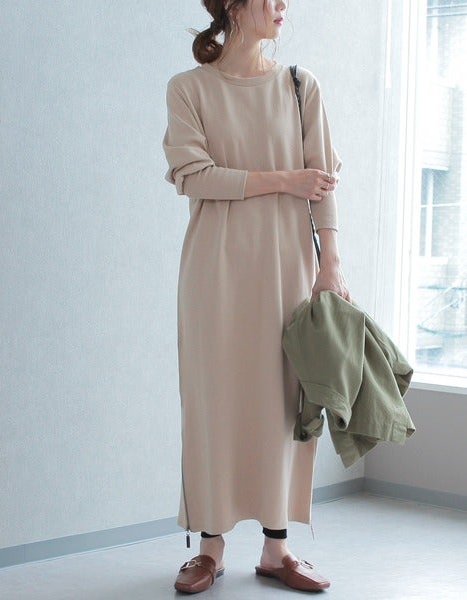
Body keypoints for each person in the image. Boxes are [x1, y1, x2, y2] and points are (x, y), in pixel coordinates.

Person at [162, 0, 350, 594]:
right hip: (214, 269)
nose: (282, 6)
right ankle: (209, 548)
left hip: (287, 266)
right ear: (234, 6)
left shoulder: (299, 85)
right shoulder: (189, 88)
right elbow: (193, 176)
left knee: (282, 401)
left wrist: (330, 264)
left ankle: (276, 548)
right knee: (214, 402)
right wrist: (284, 180)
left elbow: (323, 182)